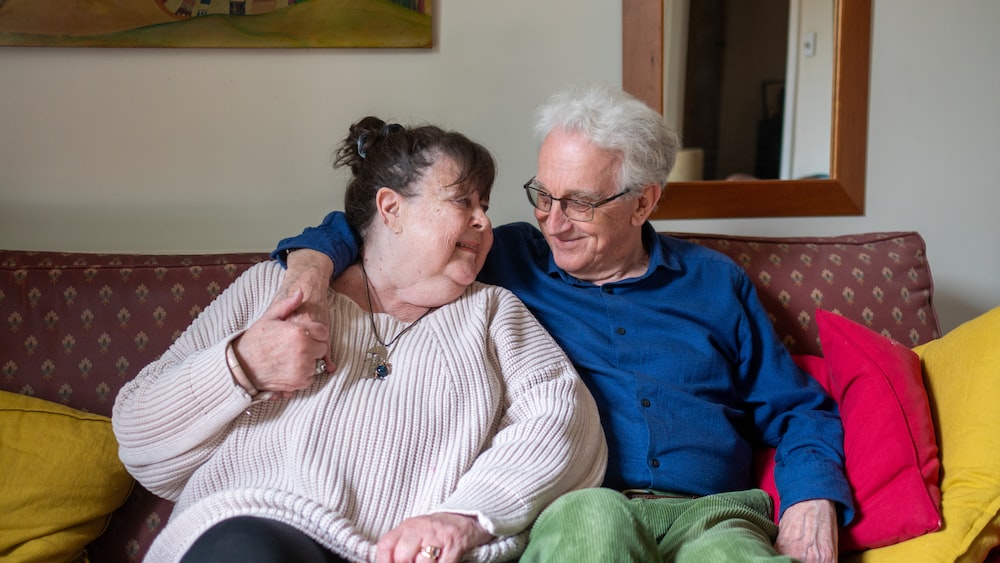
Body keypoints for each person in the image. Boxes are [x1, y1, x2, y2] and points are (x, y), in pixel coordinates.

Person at [270, 85, 855, 563]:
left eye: (579, 203)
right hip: (578, 499)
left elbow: (798, 408)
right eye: (541, 196)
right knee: (589, 527)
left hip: (712, 510)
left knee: (733, 558)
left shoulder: (715, 282)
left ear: (643, 202)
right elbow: (378, 226)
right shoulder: (504, 258)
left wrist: (814, 497)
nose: (553, 222)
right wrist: (314, 262)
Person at [112, 116, 607, 563]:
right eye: (463, 201)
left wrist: (466, 517)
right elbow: (138, 439)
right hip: (256, 533)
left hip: (407, 554)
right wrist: (241, 366)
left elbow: (565, 423)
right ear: (390, 209)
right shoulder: (278, 289)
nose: (483, 221)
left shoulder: (494, 313)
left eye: (485, 206)